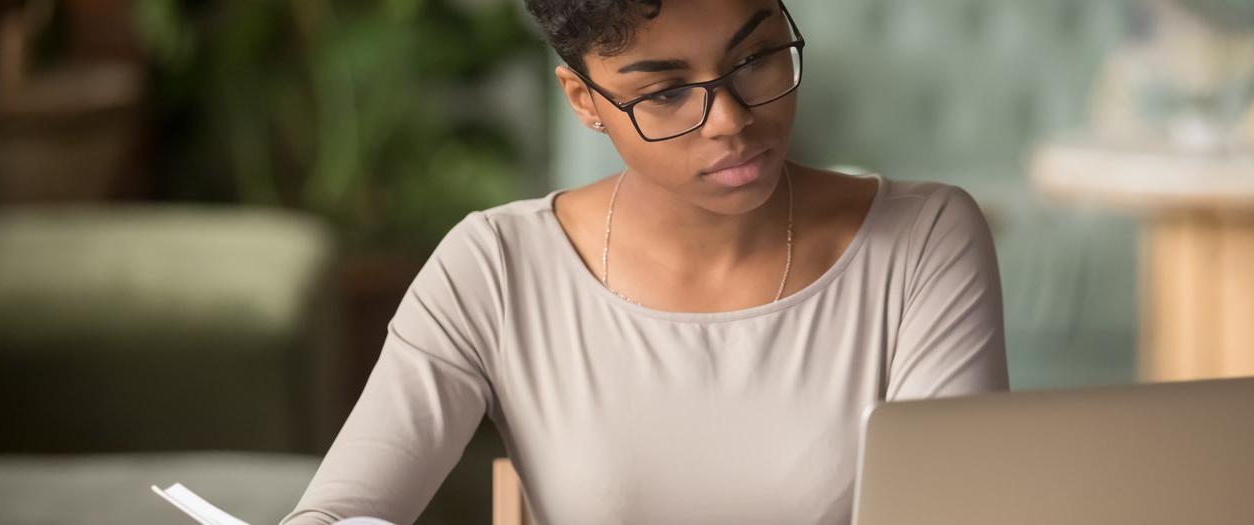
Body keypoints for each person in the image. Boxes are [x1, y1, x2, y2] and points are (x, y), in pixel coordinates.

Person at [281, 0, 1007, 523]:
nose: (731, 121)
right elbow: (342, 508)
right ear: (585, 100)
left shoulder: (923, 240)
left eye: (755, 57)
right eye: (664, 93)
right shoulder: (496, 266)